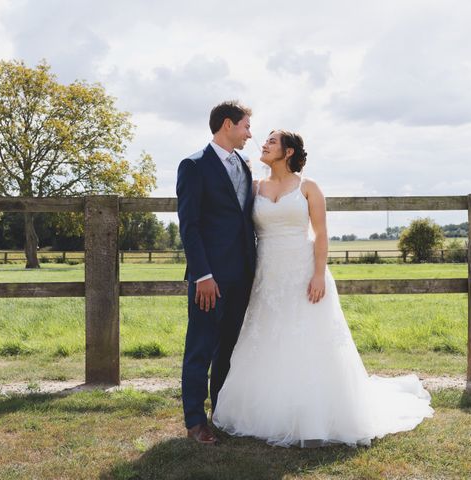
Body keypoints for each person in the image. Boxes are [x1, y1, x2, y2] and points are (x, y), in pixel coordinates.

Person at [212, 130, 434, 447]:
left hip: (304, 272)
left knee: (308, 340)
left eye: (272, 142)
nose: (264, 144)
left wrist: (318, 275)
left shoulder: (309, 187)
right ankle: (269, 410)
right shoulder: (254, 186)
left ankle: (313, 414)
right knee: (268, 337)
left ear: (288, 152)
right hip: (267, 274)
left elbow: (321, 234)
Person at [176, 101, 257, 445]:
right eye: (246, 126)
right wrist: (203, 275)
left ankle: (221, 412)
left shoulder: (245, 165)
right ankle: (195, 421)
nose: (250, 134)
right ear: (228, 124)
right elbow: (190, 226)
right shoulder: (194, 166)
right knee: (201, 348)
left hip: (242, 276)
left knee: (228, 349)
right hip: (209, 279)